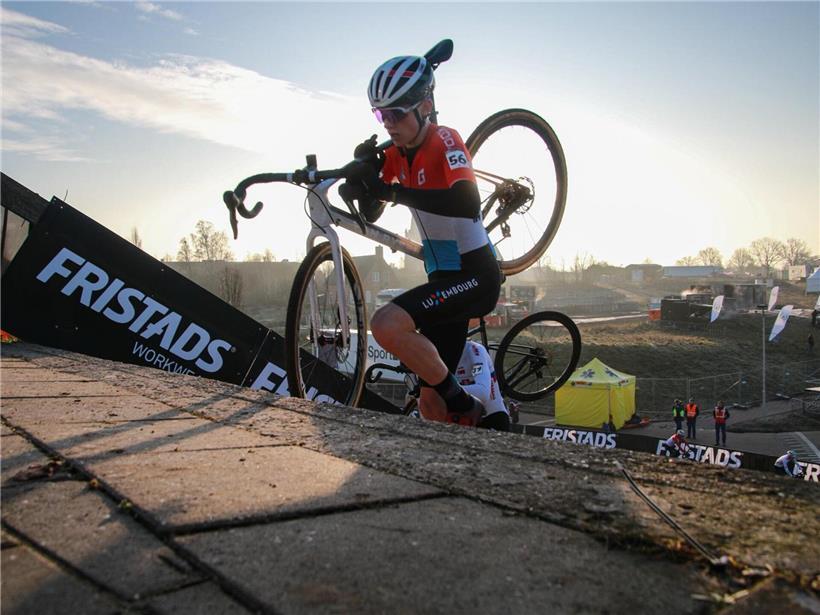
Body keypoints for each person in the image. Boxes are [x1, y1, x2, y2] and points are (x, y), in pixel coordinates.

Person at [343, 54, 502, 428]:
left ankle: (467, 403)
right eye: (381, 116)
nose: (389, 124)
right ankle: (482, 425)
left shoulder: (445, 139)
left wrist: (393, 192)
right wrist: (366, 175)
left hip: (475, 274)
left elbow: (466, 202)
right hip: (443, 280)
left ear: (425, 106)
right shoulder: (397, 155)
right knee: (430, 403)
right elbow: (372, 214)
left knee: (385, 324)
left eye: (396, 113)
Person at [454, 340, 511, 430]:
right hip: (464, 421)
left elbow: (482, 392)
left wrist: (446, 387)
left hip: (492, 419)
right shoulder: (437, 354)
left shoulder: (474, 351)